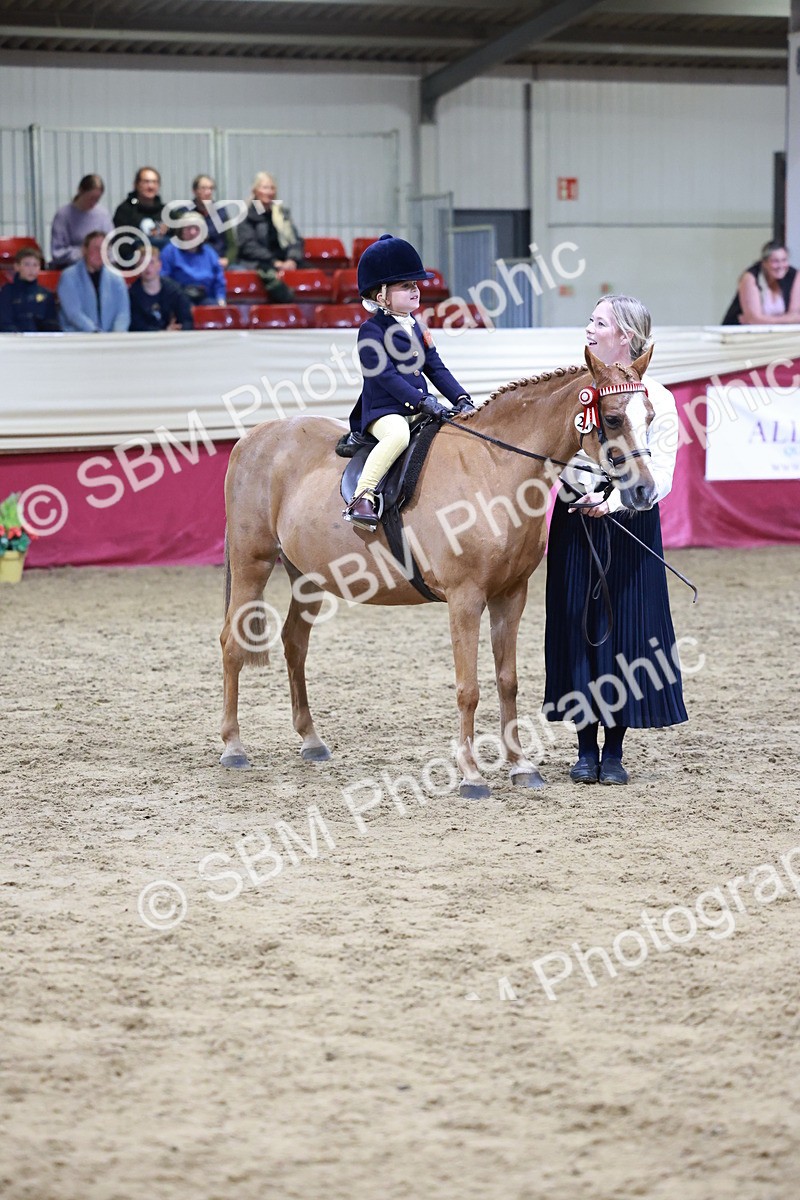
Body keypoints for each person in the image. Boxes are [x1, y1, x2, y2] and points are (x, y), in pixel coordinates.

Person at [543, 294, 687, 785]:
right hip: (577, 521)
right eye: (590, 320)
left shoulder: (658, 397)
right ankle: (585, 747)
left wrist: (617, 503)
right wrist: (579, 493)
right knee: (577, 625)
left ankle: (615, 750)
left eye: (598, 322)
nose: (588, 328)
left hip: (631, 523)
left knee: (627, 630)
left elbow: (661, 472)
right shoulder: (578, 392)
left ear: (623, 336)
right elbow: (555, 455)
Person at [344, 234, 474, 531]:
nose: (416, 290)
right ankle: (362, 495)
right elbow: (384, 376)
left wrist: (461, 398)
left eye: (416, 284)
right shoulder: (370, 331)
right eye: (406, 286)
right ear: (382, 296)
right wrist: (422, 401)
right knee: (398, 437)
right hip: (385, 411)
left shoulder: (417, 326)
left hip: (420, 407)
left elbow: (436, 368)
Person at [236, 172, 303, 302]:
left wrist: (292, 259)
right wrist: (274, 262)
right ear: (255, 191)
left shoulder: (282, 214)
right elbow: (248, 246)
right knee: (271, 278)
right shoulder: (246, 215)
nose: (269, 192)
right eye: (265, 188)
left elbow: (295, 240)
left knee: (312, 273)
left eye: (272, 188)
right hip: (259, 262)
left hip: (285, 261)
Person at [57, 230, 130, 333]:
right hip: (78, 338)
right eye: (96, 249)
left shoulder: (116, 278)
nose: (100, 253)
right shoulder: (69, 276)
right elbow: (73, 313)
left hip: (111, 340)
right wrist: (96, 333)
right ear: (84, 250)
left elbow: (122, 313)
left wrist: (116, 336)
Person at [721, 240, 800, 325]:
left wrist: (763, 319)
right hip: (739, 333)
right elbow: (754, 320)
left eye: (784, 260)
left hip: (776, 334)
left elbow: (795, 316)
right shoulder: (750, 277)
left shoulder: (794, 275)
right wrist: (787, 319)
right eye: (775, 261)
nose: (781, 266)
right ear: (764, 263)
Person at [50, 174, 113, 269]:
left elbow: (110, 247)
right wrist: (84, 253)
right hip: (71, 267)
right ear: (80, 191)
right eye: (90, 198)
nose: (93, 203)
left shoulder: (103, 214)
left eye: (97, 199)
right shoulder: (63, 215)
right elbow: (57, 252)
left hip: (100, 267)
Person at [159, 219, 226, 306]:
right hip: (178, 299)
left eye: (197, 228)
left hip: (207, 299)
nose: (193, 232)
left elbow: (219, 280)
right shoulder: (170, 251)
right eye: (188, 228)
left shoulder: (210, 252)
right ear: (181, 232)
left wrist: (221, 299)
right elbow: (163, 278)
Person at [129, 246, 194, 332]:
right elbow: (136, 326)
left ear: (159, 265)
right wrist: (163, 332)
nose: (147, 268)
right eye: (142, 264)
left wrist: (179, 329)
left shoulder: (174, 290)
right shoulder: (133, 294)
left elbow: (187, 320)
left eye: (151, 262)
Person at [112, 167, 168, 260]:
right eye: (146, 182)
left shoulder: (166, 212)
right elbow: (121, 244)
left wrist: (167, 230)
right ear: (136, 185)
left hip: (162, 263)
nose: (150, 186)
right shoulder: (125, 210)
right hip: (133, 262)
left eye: (154, 182)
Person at [0, 246, 59, 332]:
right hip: (13, 341)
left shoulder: (46, 295)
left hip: (40, 342)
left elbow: (51, 324)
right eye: (27, 264)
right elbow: (5, 322)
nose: (31, 269)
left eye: (35, 265)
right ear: (17, 267)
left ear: (39, 268)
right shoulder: (7, 292)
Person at [187, 175, 236, 267]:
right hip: (194, 261)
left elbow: (232, 244)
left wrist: (227, 259)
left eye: (211, 188)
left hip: (220, 260)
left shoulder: (221, 213)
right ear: (195, 191)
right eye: (203, 188)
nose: (208, 192)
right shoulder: (186, 213)